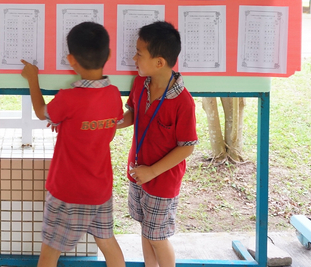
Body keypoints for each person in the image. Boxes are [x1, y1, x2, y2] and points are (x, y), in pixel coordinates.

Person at [20, 21, 125, 267]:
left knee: (50, 253)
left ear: (71, 60)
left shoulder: (68, 98)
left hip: (68, 192)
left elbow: (42, 112)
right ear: (109, 55)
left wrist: (32, 78)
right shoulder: (113, 94)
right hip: (99, 189)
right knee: (107, 242)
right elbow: (104, 125)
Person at [117, 21, 198, 267]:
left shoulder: (183, 102)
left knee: (157, 237)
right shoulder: (140, 83)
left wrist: (152, 171)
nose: (134, 58)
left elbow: (187, 146)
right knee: (146, 230)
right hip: (138, 173)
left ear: (159, 62)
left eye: (139, 54)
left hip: (162, 180)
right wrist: (112, 123)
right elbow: (132, 114)